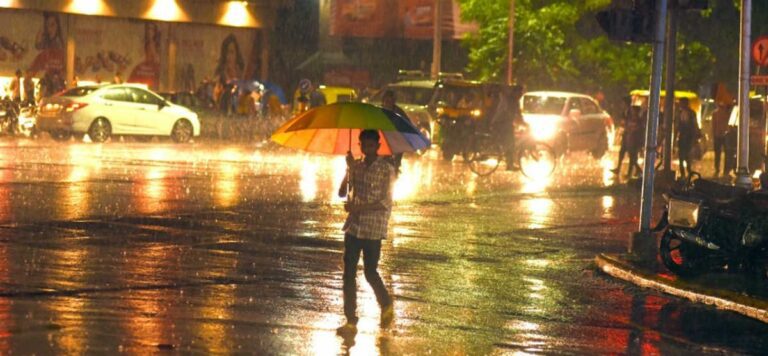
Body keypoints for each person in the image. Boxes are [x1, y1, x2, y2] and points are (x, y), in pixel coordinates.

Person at [336, 129, 395, 336]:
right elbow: (342, 192)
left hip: (373, 230)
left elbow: (385, 202)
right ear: (360, 145)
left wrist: (360, 208)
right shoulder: (356, 167)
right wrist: (348, 169)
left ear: (378, 147)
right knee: (348, 274)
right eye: (364, 146)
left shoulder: (387, 170)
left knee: (370, 272)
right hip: (354, 227)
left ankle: (386, 303)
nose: (368, 150)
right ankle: (351, 319)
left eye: (372, 146)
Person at [489, 85, 523, 170]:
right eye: (520, 92)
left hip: (507, 123)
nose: (521, 94)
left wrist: (524, 122)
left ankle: (509, 163)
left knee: (511, 142)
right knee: (510, 142)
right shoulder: (508, 100)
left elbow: (518, 113)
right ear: (515, 92)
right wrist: (516, 120)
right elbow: (508, 111)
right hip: (500, 123)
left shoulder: (516, 101)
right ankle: (510, 165)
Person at [381, 90, 407, 174]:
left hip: (396, 140)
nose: (388, 103)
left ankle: (395, 169)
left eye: (390, 101)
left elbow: (406, 124)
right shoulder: (379, 111)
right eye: (386, 101)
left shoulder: (399, 112)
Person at [675, 97, 700, 179]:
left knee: (687, 156)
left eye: (681, 103)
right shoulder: (680, 113)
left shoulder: (691, 113)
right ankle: (683, 174)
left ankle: (689, 172)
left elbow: (694, 125)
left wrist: (694, 137)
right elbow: (678, 126)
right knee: (681, 156)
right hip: (682, 136)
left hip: (689, 137)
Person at [611, 96, 633, 174]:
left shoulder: (631, 111)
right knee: (622, 152)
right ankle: (618, 169)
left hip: (631, 136)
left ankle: (631, 172)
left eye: (623, 103)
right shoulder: (625, 111)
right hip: (626, 134)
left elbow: (632, 122)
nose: (621, 104)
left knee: (631, 154)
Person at [711, 101, 732, 177]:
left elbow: (713, 125)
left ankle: (719, 169)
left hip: (720, 135)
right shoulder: (719, 113)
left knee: (719, 153)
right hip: (722, 135)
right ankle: (723, 169)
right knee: (723, 153)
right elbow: (714, 125)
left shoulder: (716, 113)